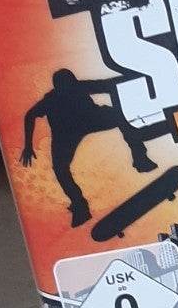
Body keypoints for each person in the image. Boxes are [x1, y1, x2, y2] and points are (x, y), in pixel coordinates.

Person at [20, 68, 157, 226]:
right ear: (59, 88)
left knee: (123, 116)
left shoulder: (76, 88)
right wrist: (28, 145)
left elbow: (109, 84)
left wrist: (137, 75)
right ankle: (79, 206)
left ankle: (140, 158)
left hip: (89, 119)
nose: (68, 90)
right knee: (60, 169)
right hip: (67, 132)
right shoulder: (52, 98)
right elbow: (29, 115)